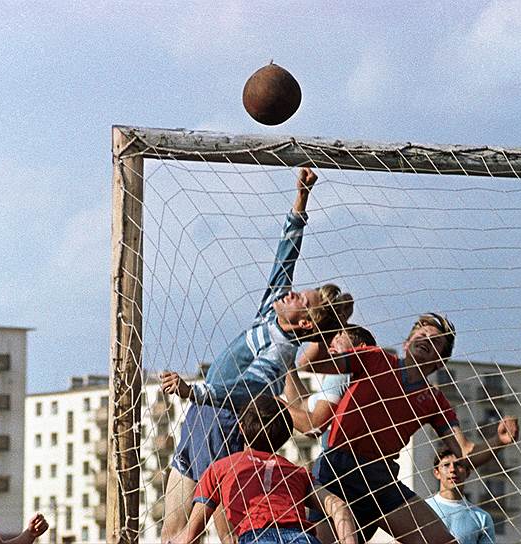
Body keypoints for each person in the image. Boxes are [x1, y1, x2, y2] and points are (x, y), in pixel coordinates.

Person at [159, 167, 354, 543]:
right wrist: (301, 199)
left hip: (220, 429)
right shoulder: (271, 311)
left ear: (304, 326)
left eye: (303, 300)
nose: (294, 294)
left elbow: (243, 390)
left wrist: (191, 392)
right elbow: (285, 258)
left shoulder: (279, 353)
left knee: (216, 529)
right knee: (172, 534)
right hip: (197, 424)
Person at [298, 314, 519, 544]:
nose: (425, 340)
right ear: (406, 344)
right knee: (316, 542)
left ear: (441, 361)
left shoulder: (435, 399)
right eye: (420, 335)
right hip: (338, 470)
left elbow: (464, 452)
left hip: (379, 477)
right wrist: (324, 331)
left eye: (435, 341)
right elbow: (309, 363)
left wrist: (499, 441)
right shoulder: (376, 358)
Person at [169, 394, 357, 544]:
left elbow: (189, 537)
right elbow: (339, 507)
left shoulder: (220, 468)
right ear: (285, 435)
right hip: (301, 538)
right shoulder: (297, 472)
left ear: (240, 428)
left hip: (256, 537)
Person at [283, 325, 376, 439]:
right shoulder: (369, 376)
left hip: (341, 454)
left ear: (362, 347)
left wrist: (273, 403)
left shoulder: (342, 374)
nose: (330, 343)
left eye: (338, 338)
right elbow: (300, 405)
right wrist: (286, 362)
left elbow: (313, 427)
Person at [425, 448, 495, 544]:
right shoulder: (422, 509)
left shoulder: (482, 518)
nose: (452, 469)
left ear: (467, 473)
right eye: (446, 465)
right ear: (437, 473)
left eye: (458, 464)